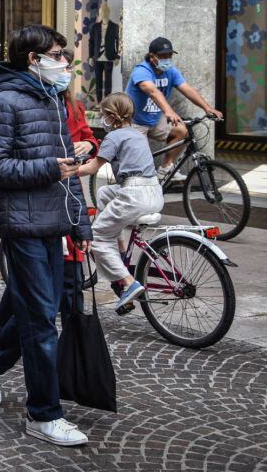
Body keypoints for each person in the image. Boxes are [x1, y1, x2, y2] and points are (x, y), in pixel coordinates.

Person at [0, 24, 92, 447]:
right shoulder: (4, 102)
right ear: (33, 59)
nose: (65, 63)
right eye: (58, 55)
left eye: (65, 55)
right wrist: (48, 169)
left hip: (54, 222)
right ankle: (43, 414)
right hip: (21, 224)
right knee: (41, 318)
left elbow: (69, 171)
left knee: (37, 307)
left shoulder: (53, 99)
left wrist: (81, 225)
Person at [76, 92, 164, 312]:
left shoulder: (113, 137)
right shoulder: (136, 135)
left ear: (112, 116)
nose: (102, 119)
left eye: (104, 114)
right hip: (153, 192)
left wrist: (65, 171)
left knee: (94, 238)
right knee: (105, 192)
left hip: (133, 196)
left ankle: (127, 282)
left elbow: (92, 167)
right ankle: (119, 245)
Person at [126, 36, 222, 178]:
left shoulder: (171, 71)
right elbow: (152, 90)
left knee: (181, 131)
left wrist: (207, 108)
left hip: (155, 119)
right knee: (142, 164)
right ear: (152, 57)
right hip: (135, 121)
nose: (167, 58)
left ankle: (165, 168)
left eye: (169, 55)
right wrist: (169, 111)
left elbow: (186, 88)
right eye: (163, 56)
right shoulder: (141, 71)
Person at [58, 45, 98, 319]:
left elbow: (91, 140)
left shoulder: (75, 105)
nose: (67, 71)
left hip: (70, 190)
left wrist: (87, 144)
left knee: (72, 275)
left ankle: (75, 334)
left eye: (69, 67)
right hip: (46, 191)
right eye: (63, 65)